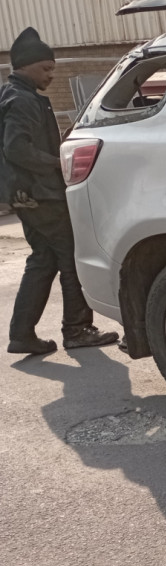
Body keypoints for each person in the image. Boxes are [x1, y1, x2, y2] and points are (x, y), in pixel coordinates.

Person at [1, 27, 118, 354]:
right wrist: (59, 162)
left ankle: (22, 334)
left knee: (43, 260)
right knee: (70, 259)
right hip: (42, 196)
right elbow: (16, 149)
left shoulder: (11, 95)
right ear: (25, 66)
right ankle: (78, 329)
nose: (52, 75)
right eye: (46, 69)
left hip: (27, 196)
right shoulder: (22, 100)